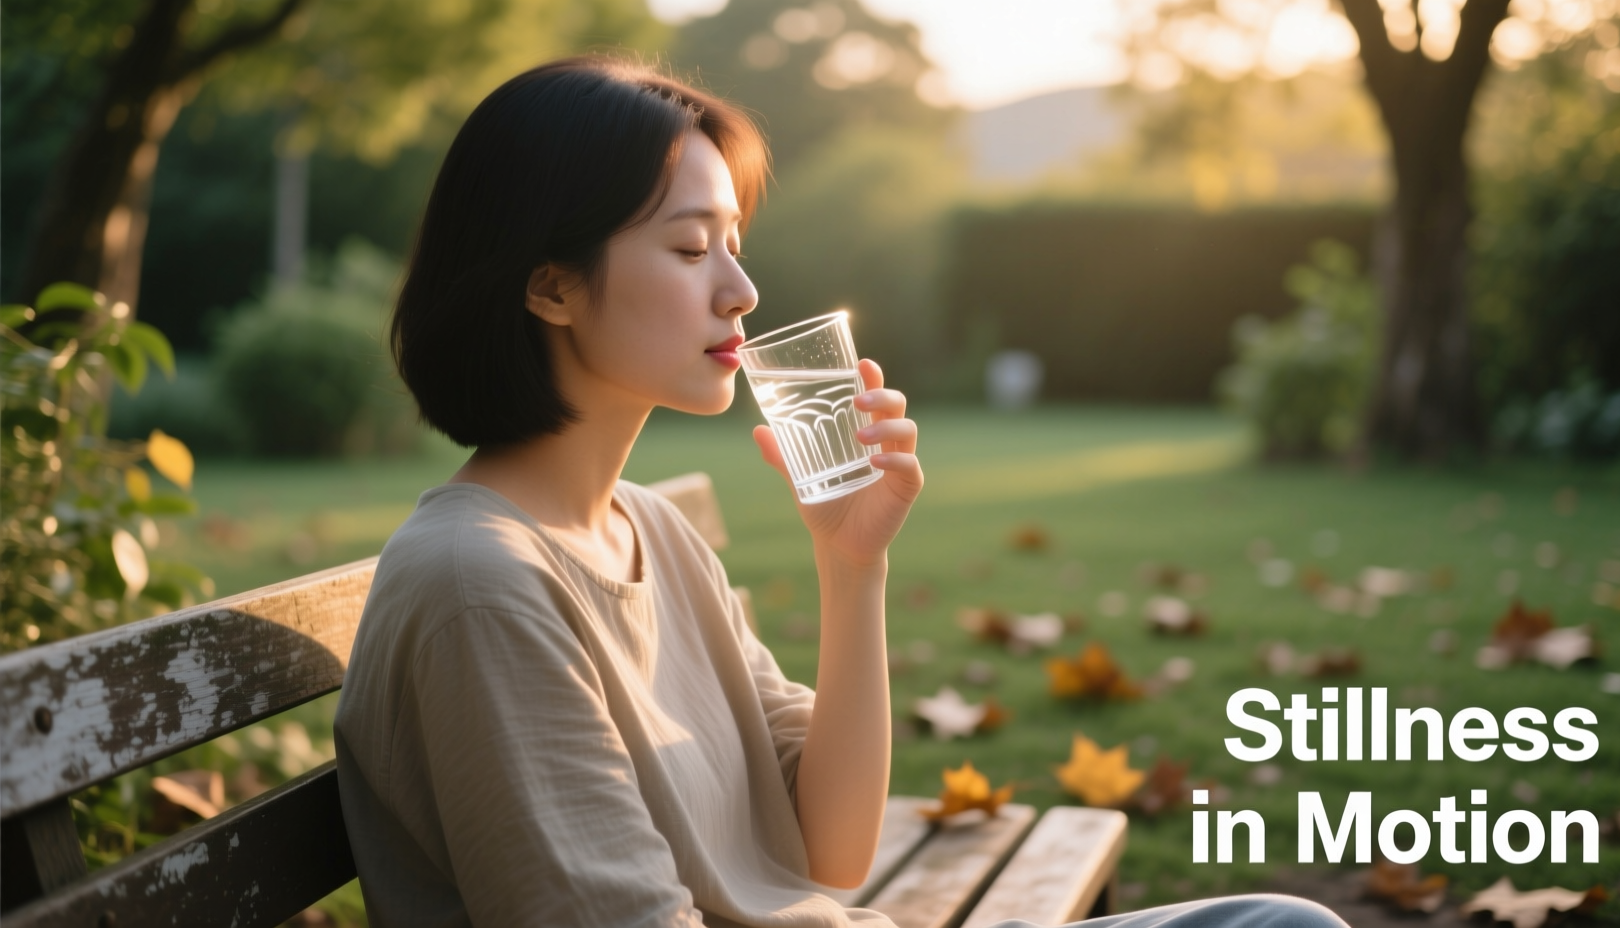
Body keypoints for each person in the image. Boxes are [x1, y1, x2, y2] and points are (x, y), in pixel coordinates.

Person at [333, 56, 1349, 928]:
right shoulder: (481, 585)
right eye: (690, 248)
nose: (739, 289)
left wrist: (851, 564)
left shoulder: (646, 528)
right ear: (549, 285)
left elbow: (831, 849)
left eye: (732, 242)